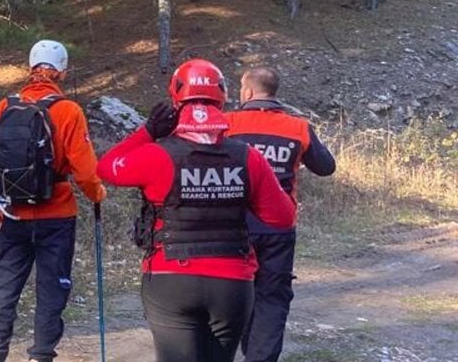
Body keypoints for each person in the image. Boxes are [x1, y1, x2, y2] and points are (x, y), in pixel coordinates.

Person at [98, 59, 296, 362]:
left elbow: (107, 167)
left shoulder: (157, 155)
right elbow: (281, 218)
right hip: (232, 282)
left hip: (170, 279)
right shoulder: (249, 158)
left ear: (176, 97)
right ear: (223, 96)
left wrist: (148, 132)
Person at [0, 40, 107, 362]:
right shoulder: (68, 111)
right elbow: (84, 169)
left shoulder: (6, 107)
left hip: (14, 214)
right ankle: (41, 355)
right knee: (52, 290)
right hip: (57, 215)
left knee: (4, 290)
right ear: (62, 72)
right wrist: (97, 194)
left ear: (30, 67)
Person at [225, 66, 336, 362]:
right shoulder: (297, 127)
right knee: (272, 298)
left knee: (230, 292)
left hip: (231, 226)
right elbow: (326, 167)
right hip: (278, 228)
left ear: (247, 92)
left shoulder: (227, 123)